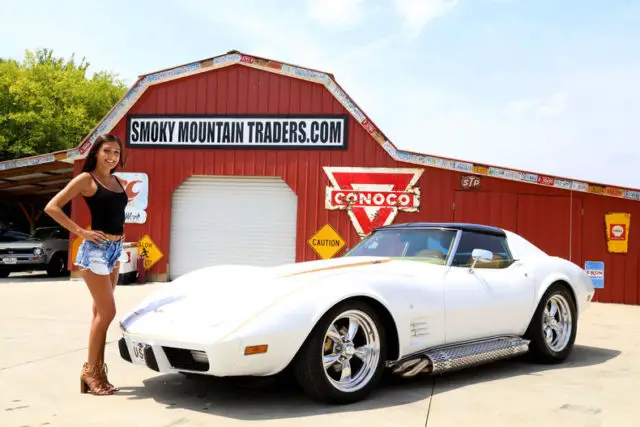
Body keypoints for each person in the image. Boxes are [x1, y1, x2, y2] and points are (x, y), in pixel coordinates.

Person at [45, 133, 129, 396]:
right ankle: (91, 372)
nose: (112, 157)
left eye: (116, 153)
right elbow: (52, 206)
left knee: (99, 315)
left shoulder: (118, 181)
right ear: (96, 153)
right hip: (94, 252)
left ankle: (97, 372)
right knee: (107, 313)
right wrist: (81, 232)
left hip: (114, 250)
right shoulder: (86, 180)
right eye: (107, 151)